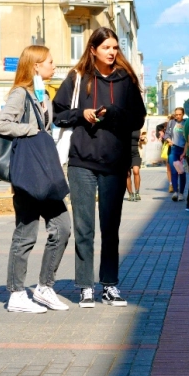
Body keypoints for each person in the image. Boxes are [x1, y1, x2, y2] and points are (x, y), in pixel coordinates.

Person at [53, 27, 146, 308]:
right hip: (82, 161)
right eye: (106, 47)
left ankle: (109, 285)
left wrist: (115, 112)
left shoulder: (126, 80)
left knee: (110, 227)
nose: (112, 52)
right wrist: (81, 114)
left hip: (114, 163)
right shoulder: (78, 78)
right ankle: (84, 286)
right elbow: (57, 115)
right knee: (84, 227)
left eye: (115, 47)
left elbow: (138, 118)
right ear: (93, 49)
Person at [0, 46, 71, 313]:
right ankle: (16, 294)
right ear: (36, 65)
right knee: (25, 235)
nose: (54, 66)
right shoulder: (20, 94)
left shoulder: (43, 95)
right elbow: (0, 124)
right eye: (50, 62)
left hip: (46, 173)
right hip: (28, 174)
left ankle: (44, 287)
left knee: (62, 227)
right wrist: (31, 130)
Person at [165, 108, 187, 201]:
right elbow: (166, 134)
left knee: (182, 172)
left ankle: (181, 193)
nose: (177, 116)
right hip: (173, 149)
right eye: (176, 114)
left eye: (179, 114)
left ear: (183, 114)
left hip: (183, 149)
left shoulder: (186, 123)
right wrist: (169, 140)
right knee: (174, 171)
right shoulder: (171, 123)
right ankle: (175, 192)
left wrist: (185, 151)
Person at [126, 130, 142, 202]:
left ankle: (137, 192)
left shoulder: (138, 127)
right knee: (127, 174)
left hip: (135, 153)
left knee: (136, 171)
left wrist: (143, 139)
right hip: (124, 153)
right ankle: (130, 194)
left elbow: (144, 140)